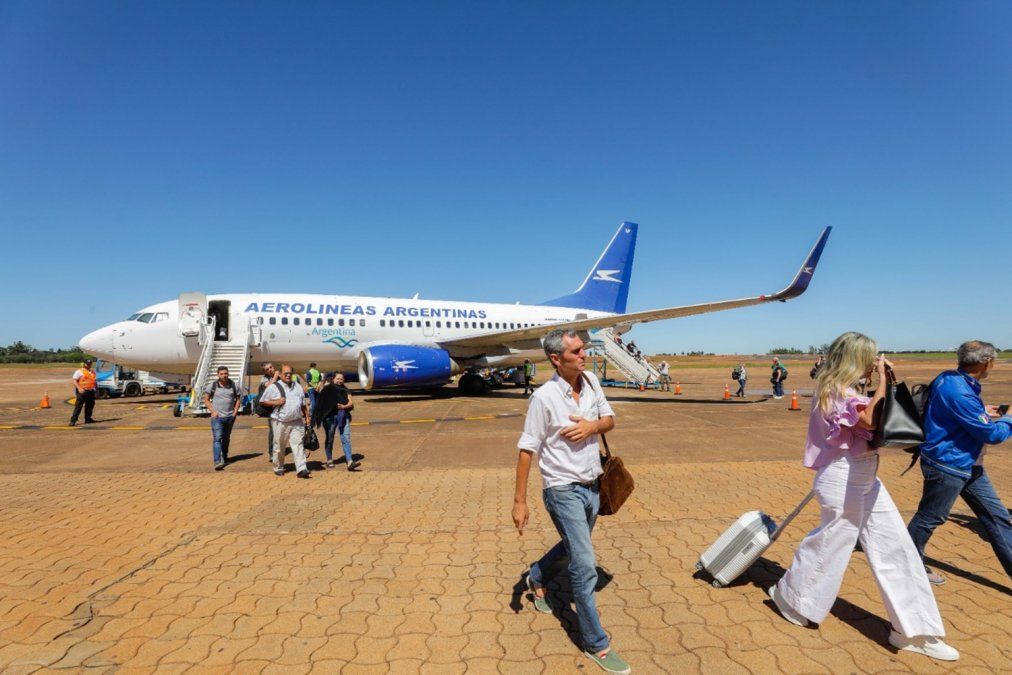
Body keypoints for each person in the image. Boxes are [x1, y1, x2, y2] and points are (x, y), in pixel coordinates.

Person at [768, 332, 958, 661]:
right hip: (843, 478)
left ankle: (913, 630)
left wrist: (884, 381)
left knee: (896, 546)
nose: (874, 363)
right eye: (870, 358)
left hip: (863, 476)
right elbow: (869, 420)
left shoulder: (849, 390)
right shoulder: (833, 390)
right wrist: (883, 379)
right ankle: (793, 600)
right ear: (856, 358)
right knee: (830, 546)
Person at [512, 329, 629, 674]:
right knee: (584, 563)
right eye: (576, 351)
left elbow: (610, 421)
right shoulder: (544, 398)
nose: (583, 354)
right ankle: (596, 643)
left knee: (572, 545)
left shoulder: (591, 381)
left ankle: (536, 577)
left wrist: (592, 427)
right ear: (555, 359)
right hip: (562, 490)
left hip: (593, 486)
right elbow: (526, 450)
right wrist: (520, 502)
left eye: (583, 349)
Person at [906, 340, 1012, 584]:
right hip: (948, 465)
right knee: (930, 517)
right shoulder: (961, 392)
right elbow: (992, 435)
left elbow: (957, 411)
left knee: (997, 517)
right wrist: (1008, 419)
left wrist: (981, 411)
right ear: (986, 362)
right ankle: (909, 564)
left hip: (968, 464)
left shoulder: (949, 378)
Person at [259, 364, 312, 478]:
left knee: (298, 445)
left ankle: (301, 468)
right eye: (285, 373)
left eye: (290, 373)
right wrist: (275, 402)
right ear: (280, 374)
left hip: (296, 421)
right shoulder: (274, 387)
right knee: (279, 446)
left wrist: (307, 416)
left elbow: (302, 403)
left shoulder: (297, 386)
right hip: (280, 422)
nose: (288, 375)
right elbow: (262, 401)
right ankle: (278, 467)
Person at [312, 372, 362, 471]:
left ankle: (350, 461)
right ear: (333, 379)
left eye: (341, 379)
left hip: (343, 416)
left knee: (345, 438)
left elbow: (351, 403)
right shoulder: (327, 389)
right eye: (338, 379)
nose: (339, 381)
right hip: (330, 418)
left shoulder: (345, 390)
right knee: (330, 438)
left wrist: (343, 406)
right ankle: (329, 459)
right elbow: (320, 402)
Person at [203, 366, 242, 470]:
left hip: (230, 417)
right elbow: (206, 399)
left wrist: (235, 412)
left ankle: (224, 457)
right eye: (222, 374)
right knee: (217, 438)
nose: (224, 375)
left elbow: (238, 399)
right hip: (217, 418)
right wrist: (213, 411)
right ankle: (217, 461)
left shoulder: (234, 385)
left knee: (226, 438)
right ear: (218, 374)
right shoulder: (213, 385)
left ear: (228, 374)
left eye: (225, 373)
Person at [258, 363, 279, 462]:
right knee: (273, 432)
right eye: (267, 369)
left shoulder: (280, 377)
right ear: (264, 372)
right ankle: (271, 453)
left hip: (282, 408)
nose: (270, 369)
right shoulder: (264, 379)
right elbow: (270, 386)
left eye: (271, 367)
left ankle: (278, 450)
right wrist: (276, 376)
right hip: (271, 409)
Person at [69, 358, 98, 426]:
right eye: (88, 364)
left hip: (91, 391)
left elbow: (95, 382)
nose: (89, 365)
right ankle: (73, 420)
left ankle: (88, 419)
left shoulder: (92, 372)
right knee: (78, 406)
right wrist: (79, 388)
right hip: (82, 391)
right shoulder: (79, 371)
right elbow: (74, 380)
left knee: (90, 406)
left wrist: (96, 390)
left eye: (90, 363)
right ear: (84, 364)